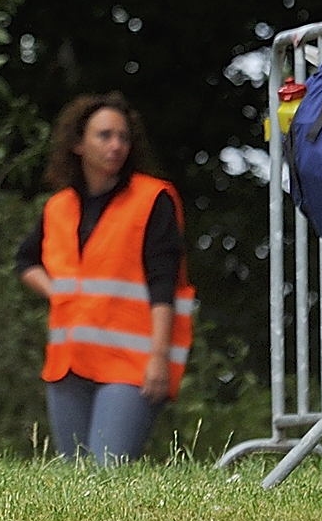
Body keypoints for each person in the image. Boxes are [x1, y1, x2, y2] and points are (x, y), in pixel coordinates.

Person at [16, 92, 195, 465]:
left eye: (123, 137)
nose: (116, 145)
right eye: (105, 135)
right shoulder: (59, 207)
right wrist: (57, 294)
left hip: (132, 363)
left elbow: (164, 284)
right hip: (69, 362)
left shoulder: (151, 199)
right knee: (75, 478)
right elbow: (25, 260)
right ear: (78, 144)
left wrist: (159, 357)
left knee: (108, 472)